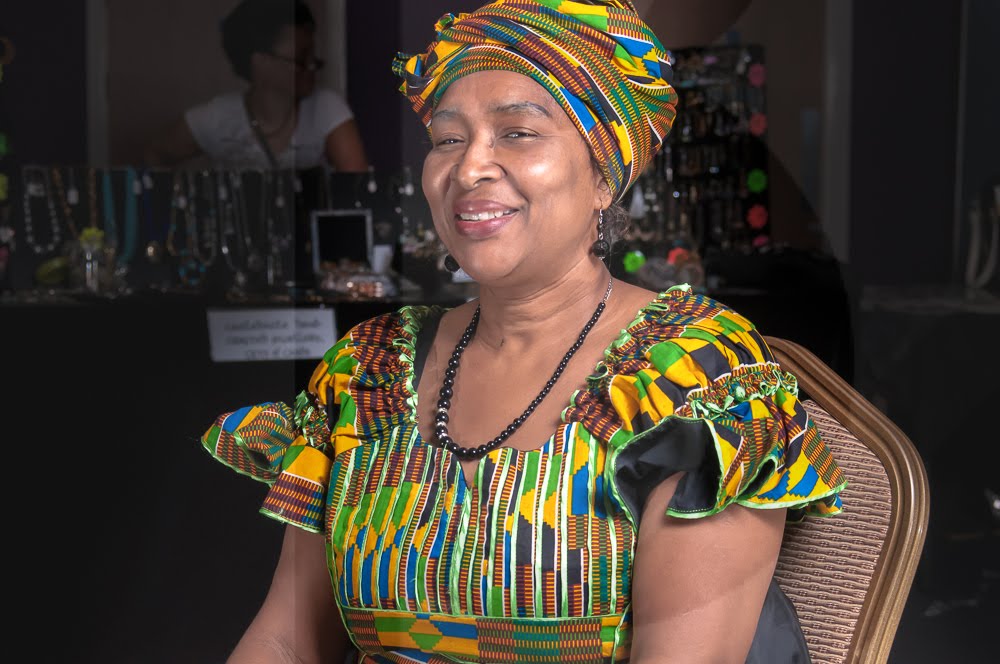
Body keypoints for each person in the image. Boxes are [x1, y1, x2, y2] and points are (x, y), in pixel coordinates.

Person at [200, 1, 846, 661]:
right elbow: (286, 639)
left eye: (518, 132)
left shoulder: (689, 377)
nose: (468, 168)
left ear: (604, 177)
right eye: (448, 140)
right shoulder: (366, 371)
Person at [144, 0, 368, 171]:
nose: (311, 67)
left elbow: (356, 188)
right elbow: (155, 153)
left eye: (313, 58)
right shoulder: (218, 118)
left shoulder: (326, 109)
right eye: (300, 60)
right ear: (260, 62)